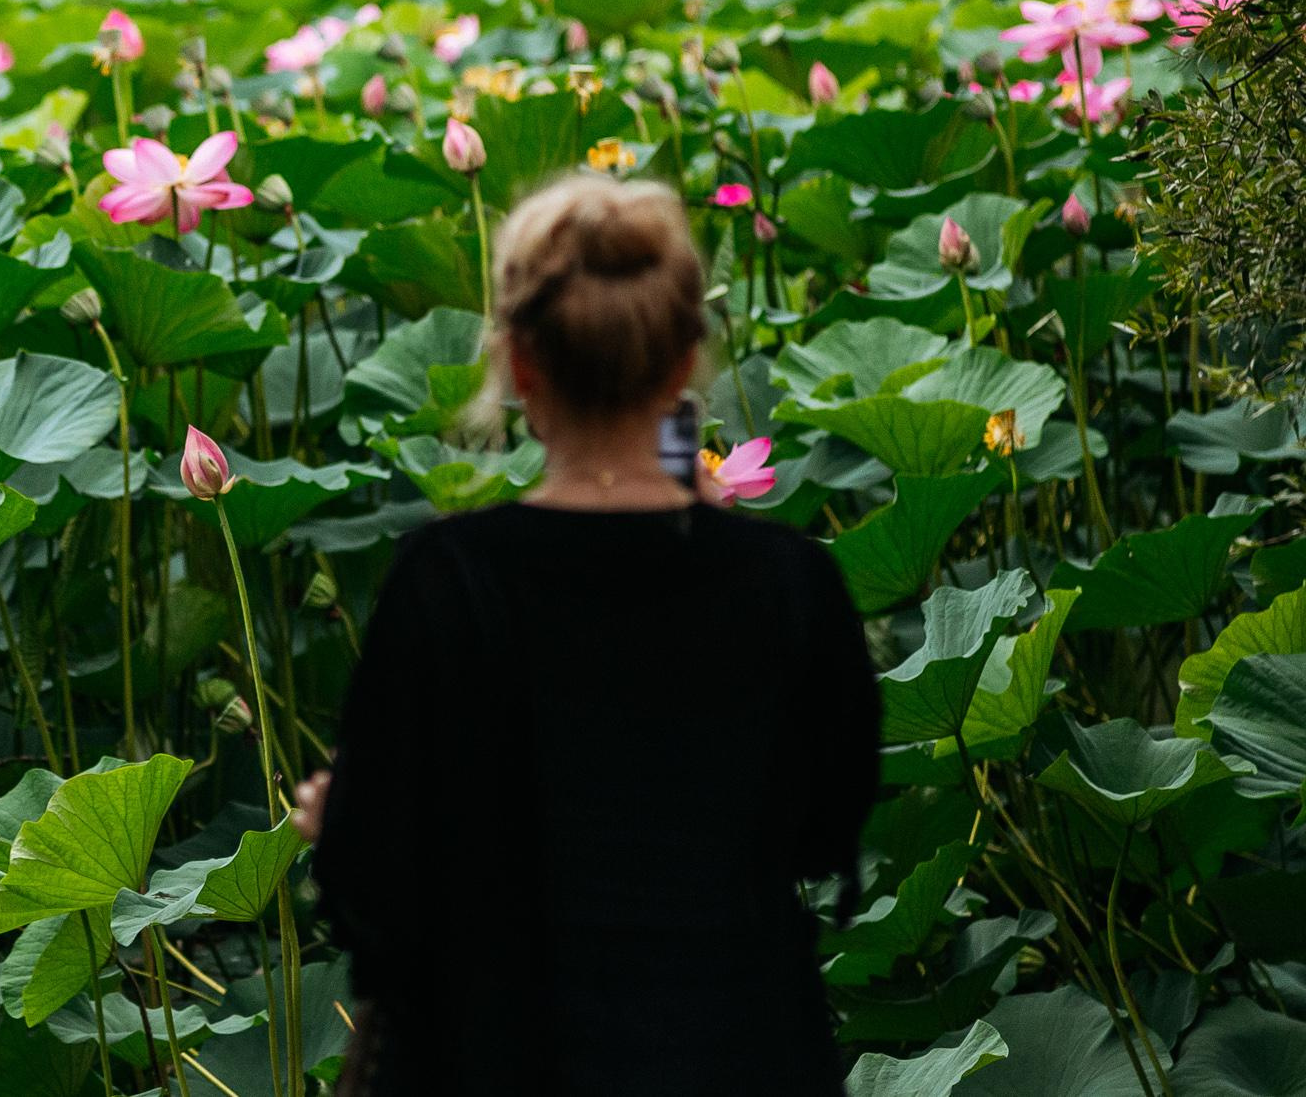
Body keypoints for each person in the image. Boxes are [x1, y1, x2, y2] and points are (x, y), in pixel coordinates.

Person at [291, 172, 879, 1096]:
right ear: (688, 360)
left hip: (500, 1055)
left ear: (519, 366)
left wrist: (343, 823)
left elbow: (377, 898)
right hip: (741, 1052)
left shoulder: (447, 579)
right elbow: (822, 831)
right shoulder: (790, 581)